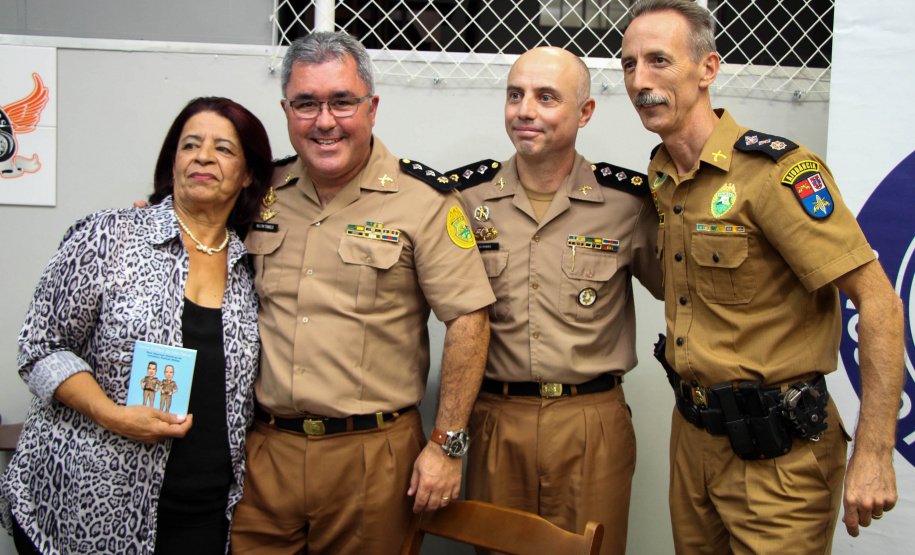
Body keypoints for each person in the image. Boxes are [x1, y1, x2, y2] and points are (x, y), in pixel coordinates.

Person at [621, 1, 904, 553]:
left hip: (778, 459)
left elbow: (878, 301)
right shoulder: (662, 175)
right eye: (629, 64)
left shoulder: (774, 174)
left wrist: (874, 451)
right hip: (694, 442)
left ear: (707, 69)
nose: (639, 81)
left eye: (659, 60)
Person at [230, 31, 494, 554]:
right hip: (266, 456)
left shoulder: (424, 200)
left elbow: (469, 319)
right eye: (306, 103)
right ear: (286, 111)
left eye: (342, 102)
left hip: (373, 458)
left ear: (372, 108)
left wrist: (447, 445)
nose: (324, 121)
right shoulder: (260, 192)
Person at [0, 96, 272, 555]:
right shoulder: (109, 235)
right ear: (173, 162)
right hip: (86, 506)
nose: (203, 156)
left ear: (248, 174)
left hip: (204, 513)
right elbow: (41, 348)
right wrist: (111, 414)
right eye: (190, 145)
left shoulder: (254, 266)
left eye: (224, 148)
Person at [449, 47, 662, 555]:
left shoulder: (628, 203)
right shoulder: (465, 198)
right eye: (515, 95)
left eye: (546, 97)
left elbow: (686, 296)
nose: (525, 111)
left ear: (584, 112)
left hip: (590, 422)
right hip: (497, 418)